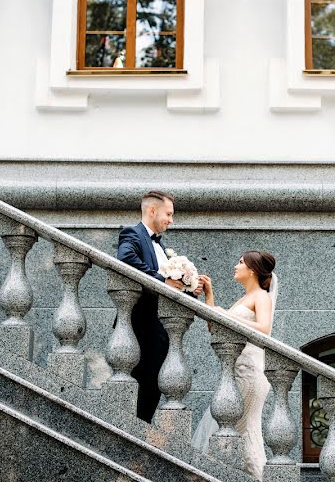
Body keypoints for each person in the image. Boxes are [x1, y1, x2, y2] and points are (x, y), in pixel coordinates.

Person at [116, 190, 203, 423]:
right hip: (142, 326)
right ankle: (136, 430)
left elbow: (169, 286)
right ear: (152, 210)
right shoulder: (132, 234)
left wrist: (188, 288)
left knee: (154, 384)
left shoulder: (161, 247)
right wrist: (161, 280)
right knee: (145, 383)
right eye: (168, 214)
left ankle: (142, 429)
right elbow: (125, 259)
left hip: (161, 328)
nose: (171, 220)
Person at [191, 250, 277, 481]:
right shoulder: (243, 299)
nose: (236, 266)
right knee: (228, 433)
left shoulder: (261, 296)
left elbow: (264, 329)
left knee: (246, 433)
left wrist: (226, 316)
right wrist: (210, 297)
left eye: (240, 263)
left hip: (250, 374)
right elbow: (216, 327)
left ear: (252, 270)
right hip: (234, 373)